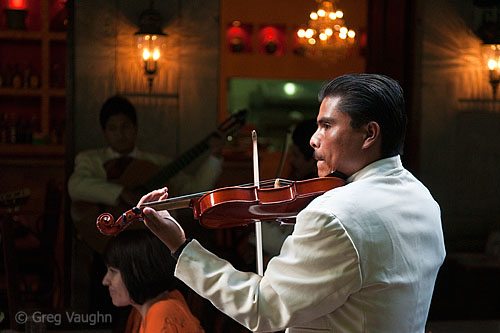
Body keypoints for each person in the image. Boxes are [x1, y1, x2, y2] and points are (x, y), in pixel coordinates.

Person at [139, 74, 446, 332]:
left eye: (326, 126)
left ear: (369, 134)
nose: (314, 139)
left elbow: (261, 307)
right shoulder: (424, 200)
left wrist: (180, 247)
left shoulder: (333, 214)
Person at [68, 94, 224, 253]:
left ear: (135, 127)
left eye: (125, 127)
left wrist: (215, 155)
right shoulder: (89, 160)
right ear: (104, 132)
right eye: (113, 128)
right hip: (102, 242)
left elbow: (195, 188)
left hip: (146, 245)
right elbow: (75, 186)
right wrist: (122, 193)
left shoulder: (156, 162)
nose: (120, 134)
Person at [102, 229, 205, 333]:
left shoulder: (161, 312)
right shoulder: (141, 311)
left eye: (113, 271)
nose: (105, 281)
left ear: (140, 270)